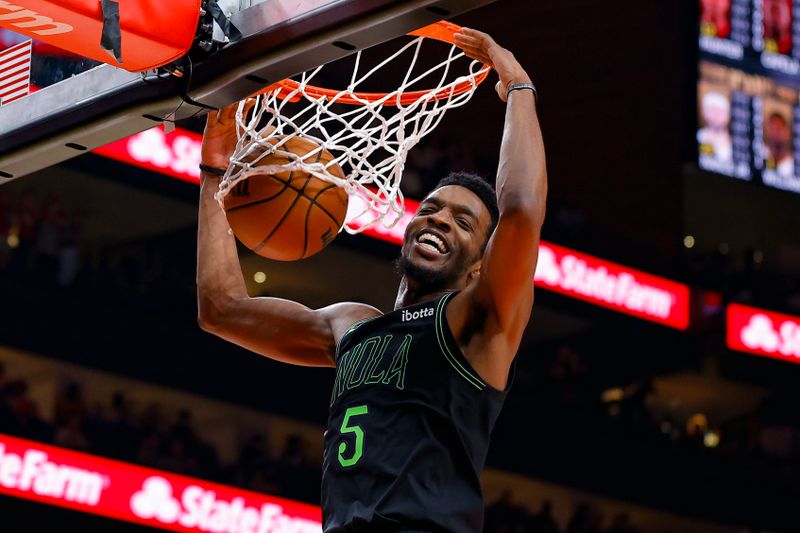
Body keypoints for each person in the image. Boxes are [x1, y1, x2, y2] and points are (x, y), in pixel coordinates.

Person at [196, 27, 546, 532]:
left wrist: (518, 87)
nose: (440, 220)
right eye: (431, 209)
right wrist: (214, 171)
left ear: (479, 266)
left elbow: (521, 211)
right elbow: (220, 307)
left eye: (463, 222)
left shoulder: (477, 324)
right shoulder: (351, 326)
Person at [764, 111, 794, 177]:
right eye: (772, 128)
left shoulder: (792, 164)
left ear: (786, 133)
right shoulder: (761, 154)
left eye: (778, 129)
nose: (774, 134)